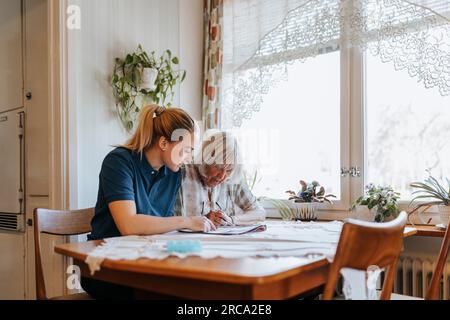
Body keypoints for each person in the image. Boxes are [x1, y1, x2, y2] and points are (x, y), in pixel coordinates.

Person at [82, 105, 216, 299]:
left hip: (144, 260)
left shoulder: (172, 173)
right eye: (185, 150)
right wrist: (187, 220)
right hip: (106, 269)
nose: (187, 158)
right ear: (163, 143)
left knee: (196, 285)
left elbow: (162, 224)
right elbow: (128, 225)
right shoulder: (119, 162)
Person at [176, 130, 266, 226]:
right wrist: (200, 220)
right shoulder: (182, 172)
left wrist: (232, 220)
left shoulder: (232, 179)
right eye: (218, 167)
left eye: (228, 170)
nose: (222, 176)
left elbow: (259, 212)